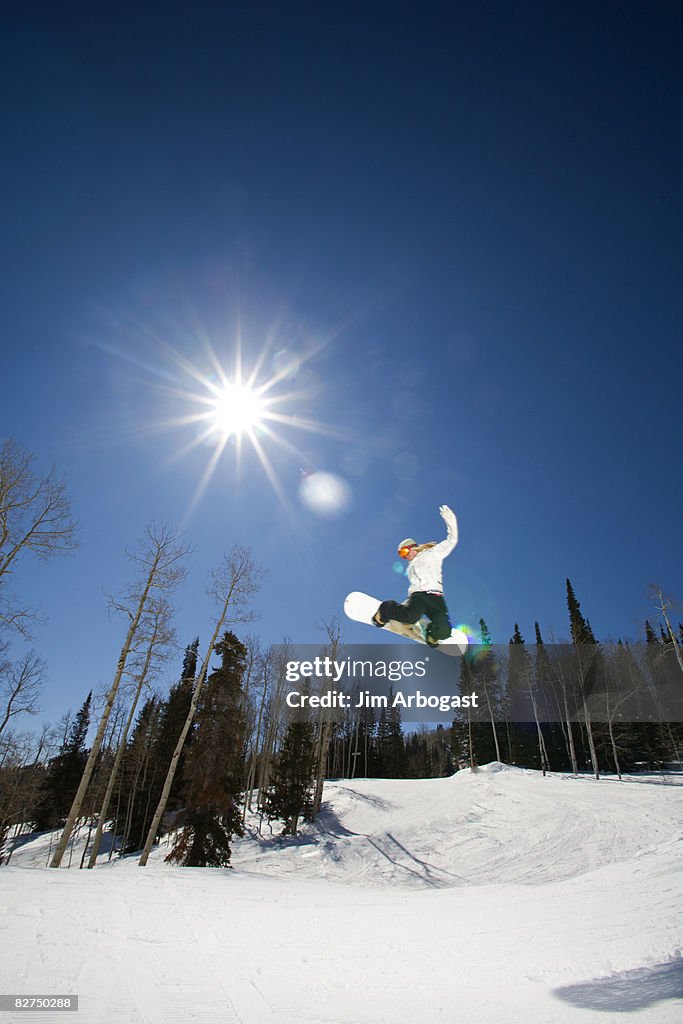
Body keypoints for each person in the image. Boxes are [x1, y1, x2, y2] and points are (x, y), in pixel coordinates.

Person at [372, 504, 458, 647]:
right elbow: (413, 588)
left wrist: (450, 519)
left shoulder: (433, 553)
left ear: (412, 547)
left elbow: (452, 540)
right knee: (410, 616)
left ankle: (432, 634)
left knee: (444, 630)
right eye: (401, 554)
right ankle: (385, 609)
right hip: (419, 596)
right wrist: (406, 609)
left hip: (437, 597)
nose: (404, 557)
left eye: (404, 552)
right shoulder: (411, 567)